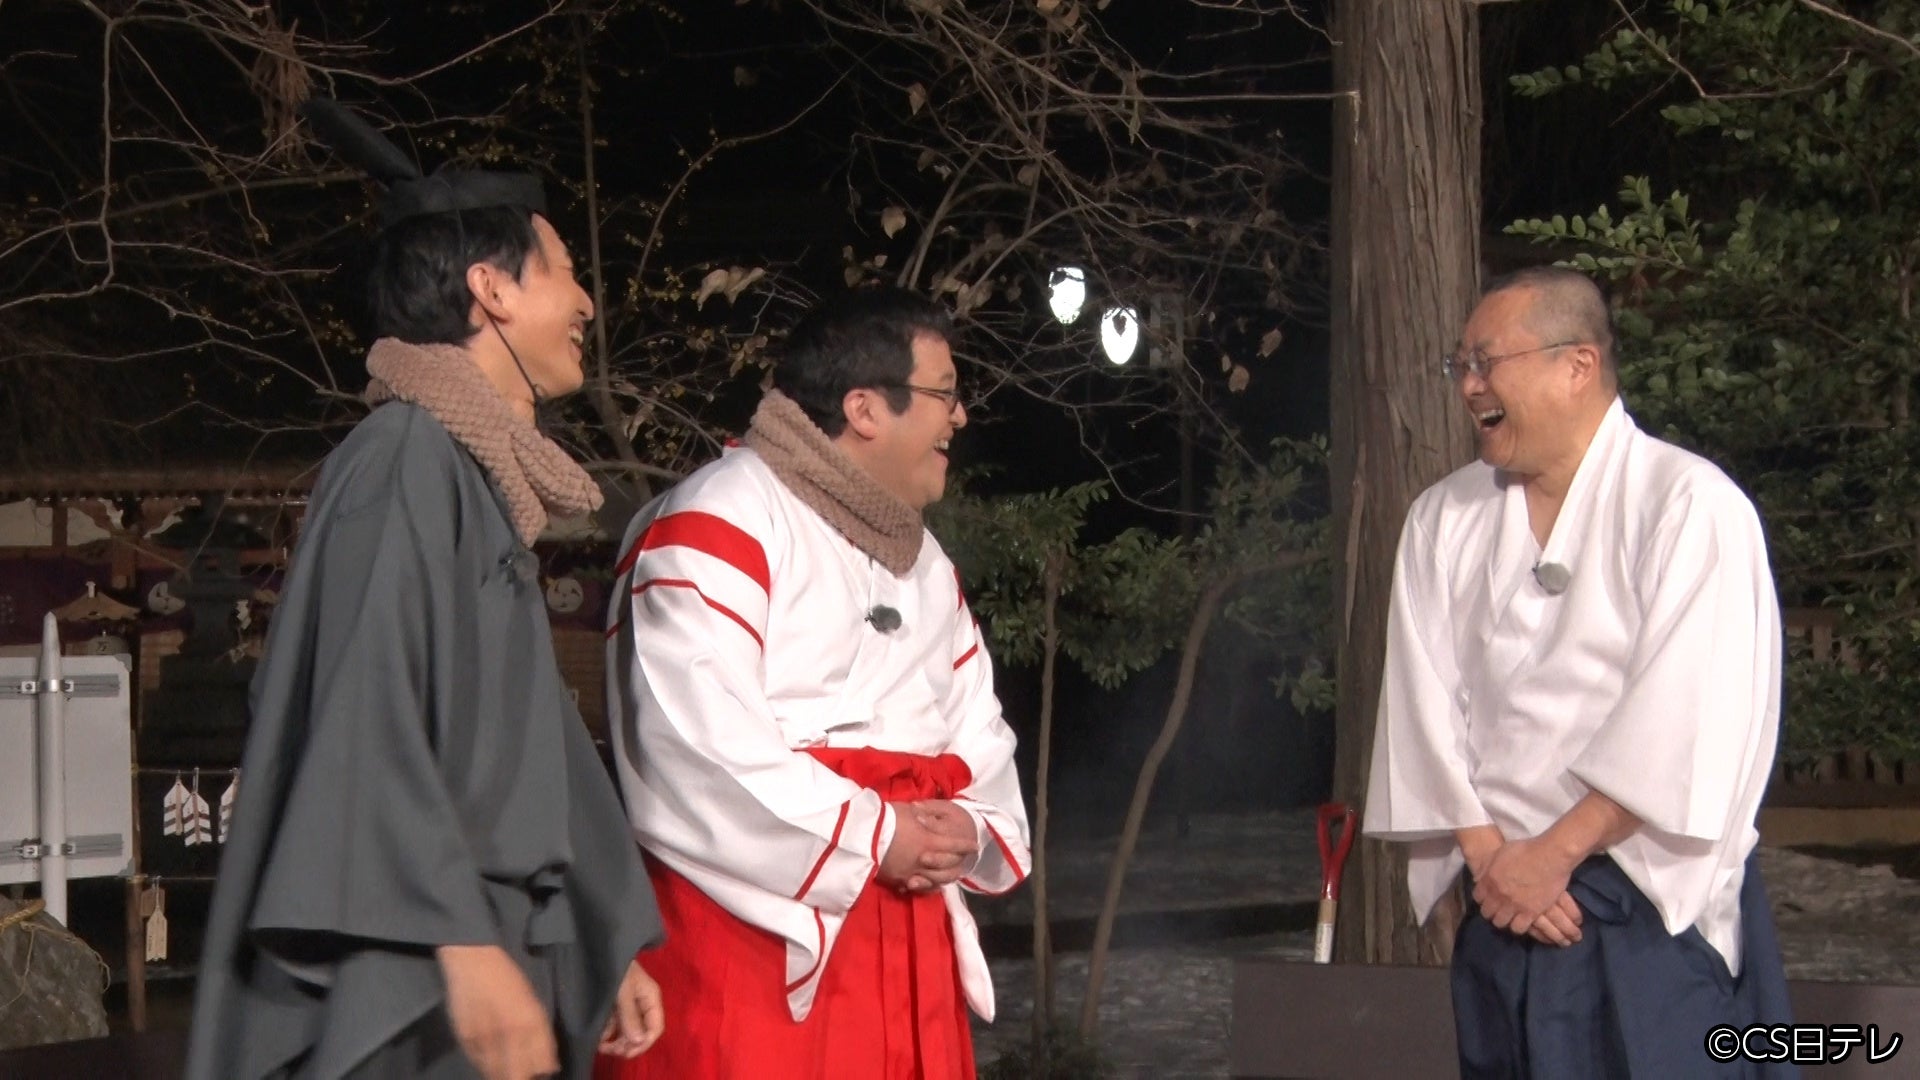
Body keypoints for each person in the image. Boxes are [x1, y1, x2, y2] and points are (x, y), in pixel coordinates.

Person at [186, 100, 664, 1080]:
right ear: (491, 289)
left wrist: (599, 927)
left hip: (488, 943)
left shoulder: (474, 476)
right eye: (564, 271)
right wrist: (458, 940)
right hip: (417, 955)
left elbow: (532, 736)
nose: (586, 302)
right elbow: (363, 702)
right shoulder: (404, 455)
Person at [1362, 266, 1796, 1078]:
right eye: (1460, 365)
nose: (1469, 385)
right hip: (1502, 904)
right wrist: (1494, 864)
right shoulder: (1443, 517)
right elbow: (1421, 705)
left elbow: (1688, 717)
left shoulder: (1689, 504)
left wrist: (1556, 854)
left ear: (1578, 366)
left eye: (1487, 361)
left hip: (1644, 912)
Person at [597, 287, 1031, 1079]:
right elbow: (694, 741)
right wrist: (877, 835)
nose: (960, 417)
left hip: (905, 945)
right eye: (944, 394)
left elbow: (979, 728)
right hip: (751, 943)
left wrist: (969, 830)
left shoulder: (926, 562)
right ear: (864, 409)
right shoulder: (718, 518)